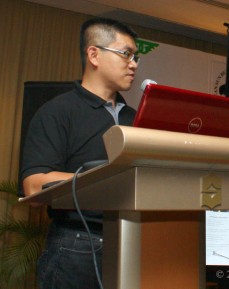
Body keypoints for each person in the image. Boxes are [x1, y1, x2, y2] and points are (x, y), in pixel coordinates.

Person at [20, 17, 140, 289]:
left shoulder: (137, 118)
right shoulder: (57, 112)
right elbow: (33, 184)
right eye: (126, 54)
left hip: (137, 240)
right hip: (77, 247)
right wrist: (108, 178)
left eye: (136, 56)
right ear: (94, 54)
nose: (133, 64)